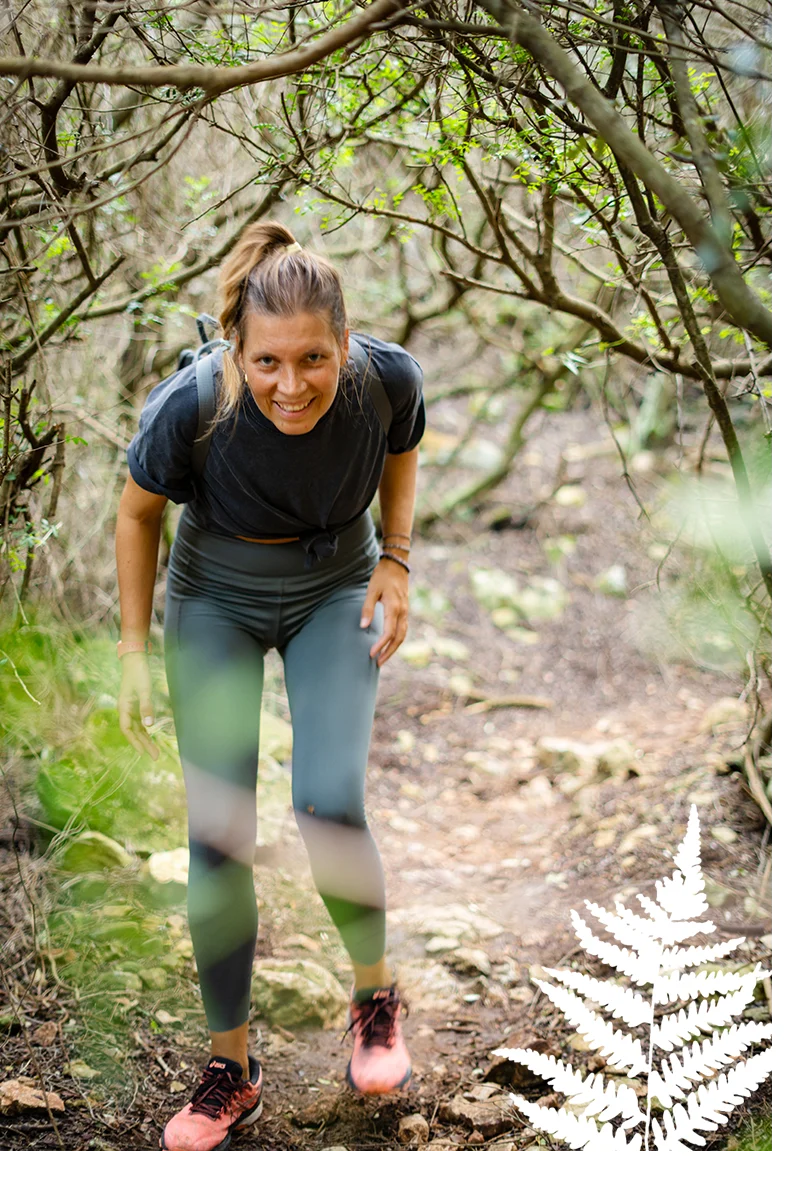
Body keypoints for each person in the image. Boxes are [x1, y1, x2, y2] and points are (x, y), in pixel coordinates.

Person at [115, 221, 424, 1152]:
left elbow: (401, 448)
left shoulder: (387, 380)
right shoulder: (192, 404)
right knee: (218, 831)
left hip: (337, 588)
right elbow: (136, 515)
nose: (292, 385)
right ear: (236, 352)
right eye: (268, 362)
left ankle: (375, 1001)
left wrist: (398, 556)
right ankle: (232, 1069)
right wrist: (132, 652)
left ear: (345, 343)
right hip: (215, 595)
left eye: (313, 359)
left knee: (329, 801)